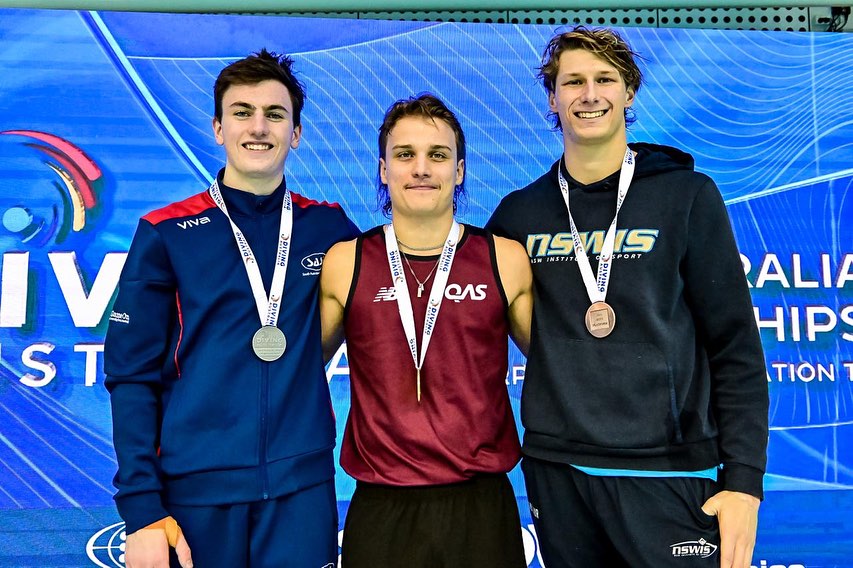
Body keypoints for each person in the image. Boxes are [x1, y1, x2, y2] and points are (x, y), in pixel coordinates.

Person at [486, 27, 769, 568]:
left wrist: (744, 482)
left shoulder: (687, 196)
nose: (588, 94)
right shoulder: (519, 215)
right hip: (559, 471)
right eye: (573, 81)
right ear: (552, 97)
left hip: (669, 472)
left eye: (604, 79)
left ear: (629, 91)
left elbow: (734, 346)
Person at [104, 49, 359, 568]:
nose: (258, 127)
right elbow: (130, 376)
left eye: (275, 114)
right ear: (218, 128)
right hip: (195, 494)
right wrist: (142, 511)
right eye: (242, 113)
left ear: (297, 133)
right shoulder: (167, 232)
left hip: (301, 490)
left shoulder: (329, 230)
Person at [319, 93, 533, 567]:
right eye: (405, 155)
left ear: (458, 171)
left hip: (481, 505)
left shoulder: (504, 258)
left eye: (437, 156)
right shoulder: (346, 261)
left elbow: (565, 365)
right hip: (381, 505)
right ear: (383, 169)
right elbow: (292, 371)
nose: (421, 168)